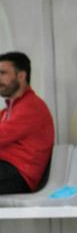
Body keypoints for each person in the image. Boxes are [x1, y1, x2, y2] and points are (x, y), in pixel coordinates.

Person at [0, 52, 55, 195]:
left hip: (18, 175)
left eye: (3, 73)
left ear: (21, 76)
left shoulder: (31, 107)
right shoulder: (9, 110)